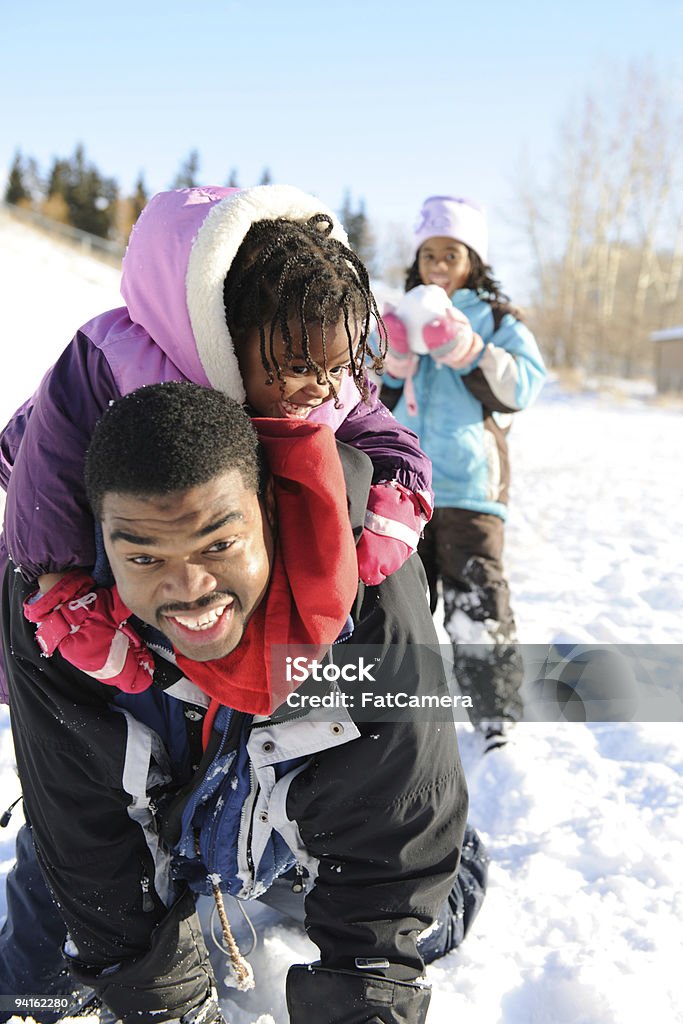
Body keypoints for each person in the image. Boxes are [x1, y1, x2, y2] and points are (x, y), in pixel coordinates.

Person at [2, 382, 487, 1024]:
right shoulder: (55, 618)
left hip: (309, 835)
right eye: (144, 556)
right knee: (35, 997)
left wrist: (365, 994)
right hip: (136, 832)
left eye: (218, 544)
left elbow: (393, 843)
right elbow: (81, 828)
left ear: (266, 507)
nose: (190, 590)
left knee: (423, 925)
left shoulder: (371, 604)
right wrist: (163, 1006)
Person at [0, 183, 433, 706]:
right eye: (296, 368)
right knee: (39, 660)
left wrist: (397, 490)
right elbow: (46, 477)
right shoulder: (118, 360)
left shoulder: (319, 369)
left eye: (337, 367)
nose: (321, 387)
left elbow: (376, 427)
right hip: (71, 526)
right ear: (225, 333)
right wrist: (63, 592)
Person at [379, 195, 546, 749]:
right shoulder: (398, 314)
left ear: (473, 259)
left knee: (477, 599)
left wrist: (467, 347)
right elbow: (372, 399)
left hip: (472, 485)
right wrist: (395, 359)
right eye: (429, 255)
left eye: (450, 254)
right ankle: (405, 710)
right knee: (401, 601)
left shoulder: (496, 318)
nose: (438, 266)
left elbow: (522, 386)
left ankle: (494, 714)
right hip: (405, 486)